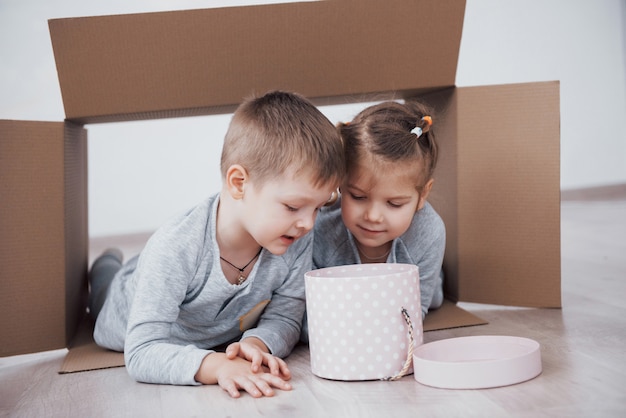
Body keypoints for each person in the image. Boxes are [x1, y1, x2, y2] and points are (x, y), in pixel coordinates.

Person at [88, 91, 345, 398]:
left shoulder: (295, 235)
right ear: (239, 183)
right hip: (121, 307)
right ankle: (105, 262)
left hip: (184, 298)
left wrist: (257, 344)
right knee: (105, 283)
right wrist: (217, 365)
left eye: (319, 207)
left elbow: (286, 315)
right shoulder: (176, 247)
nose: (309, 223)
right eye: (292, 207)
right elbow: (142, 351)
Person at [309, 100, 445, 333]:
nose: (373, 216)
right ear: (340, 184)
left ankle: (440, 278)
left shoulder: (429, 233)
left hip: (426, 291)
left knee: (434, 298)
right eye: (358, 197)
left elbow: (414, 317)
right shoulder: (321, 228)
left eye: (394, 204)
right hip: (341, 315)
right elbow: (307, 317)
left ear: (422, 195)